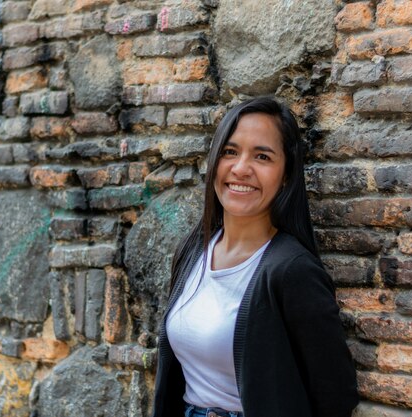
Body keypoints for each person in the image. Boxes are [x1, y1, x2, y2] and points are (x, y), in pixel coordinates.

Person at [151, 97, 359, 417]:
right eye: (230, 152)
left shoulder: (293, 271)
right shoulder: (193, 251)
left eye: (262, 156)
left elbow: (335, 395)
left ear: (286, 175)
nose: (240, 168)